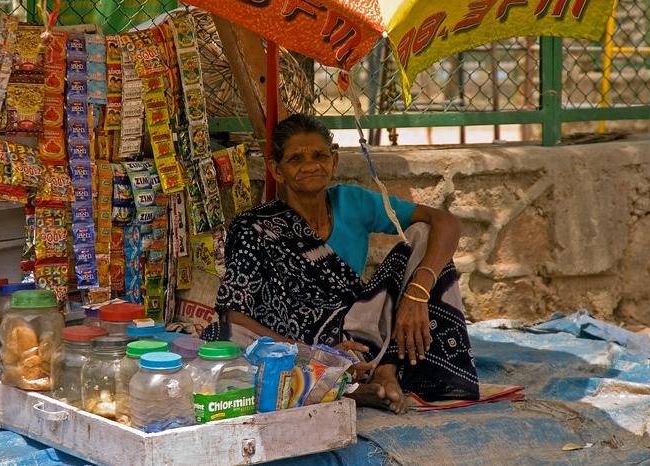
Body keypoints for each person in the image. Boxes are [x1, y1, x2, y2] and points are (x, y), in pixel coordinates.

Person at [203, 114, 479, 414]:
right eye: (296, 159)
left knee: (424, 235)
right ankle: (358, 381)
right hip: (298, 347)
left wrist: (417, 294)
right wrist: (312, 354)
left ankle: (376, 372)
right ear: (277, 170)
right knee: (224, 334)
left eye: (320, 155)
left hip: (359, 332)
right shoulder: (254, 227)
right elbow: (235, 312)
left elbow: (445, 221)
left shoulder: (352, 201)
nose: (310, 166)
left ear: (334, 160)